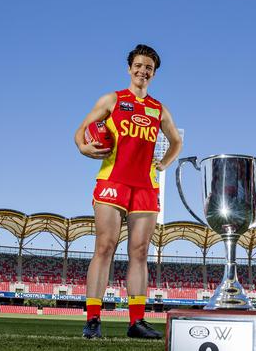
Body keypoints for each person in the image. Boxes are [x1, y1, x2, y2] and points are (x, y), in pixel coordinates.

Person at [74, 44, 182, 339]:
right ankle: (93, 319)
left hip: (146, 186)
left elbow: (176, 142)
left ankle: (136, 321)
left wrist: (164, 163)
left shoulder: (158, 109)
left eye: (149, 67)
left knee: (139, 252)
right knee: (105, 246)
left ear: (154, 73)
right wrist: (85, 147)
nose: (142, 71)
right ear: (129, 68)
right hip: (113, 181)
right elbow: (81, 131)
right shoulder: (112, 99)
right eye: (138, 65)